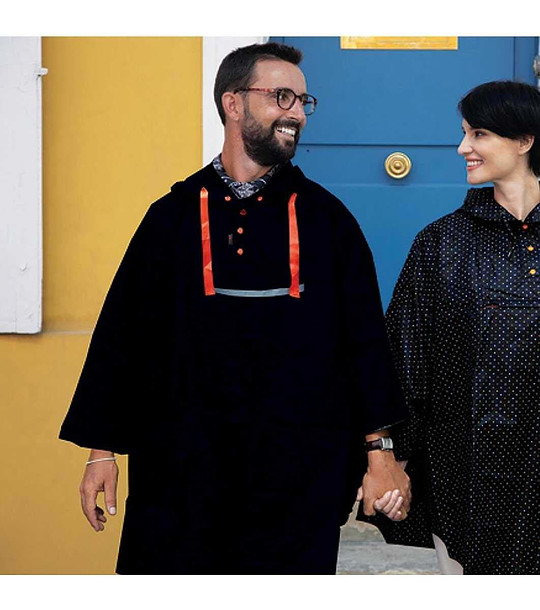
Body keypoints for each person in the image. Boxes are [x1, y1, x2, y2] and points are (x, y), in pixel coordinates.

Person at [60, 42, 410, 575]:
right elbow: (124, 336)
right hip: (179, 475)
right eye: (282, 97)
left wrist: (379, 453)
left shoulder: (329, 221)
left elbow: (364, 343)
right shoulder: (171, 218)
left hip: (297, 480)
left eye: (303, 101)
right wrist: (101, 451)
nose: (296, 113)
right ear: (233, 102)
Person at [367, 80, 540, 575]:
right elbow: (404, 360)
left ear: (524, 140)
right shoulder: (440, 243)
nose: (463, 147)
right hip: (464, 479)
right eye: (465, 133)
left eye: (479, 134)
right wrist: (390, 460)